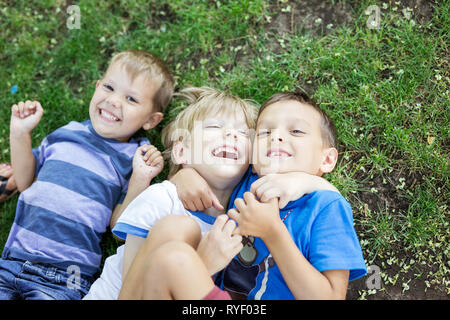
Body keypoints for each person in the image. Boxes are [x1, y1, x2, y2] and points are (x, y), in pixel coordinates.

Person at [136, 91, 367, 300]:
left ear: (326, 159)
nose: (276, 136)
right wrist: (184, 175)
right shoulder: (247, 181)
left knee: (173, 260)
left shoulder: (326, 206)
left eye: (296, 131)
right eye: (264, 132)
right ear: (252, 159)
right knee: (171, 254)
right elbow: (209, 156)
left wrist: (273, 232)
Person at [0, 50, 173, 300]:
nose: (114, 101)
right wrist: (19, 133)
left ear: (151, 120)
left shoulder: (133, 158)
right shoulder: (66, 133)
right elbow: (26, 181)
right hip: (12, 262)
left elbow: (118, 227)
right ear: (97, 86)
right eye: (110, 87)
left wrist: (140, 179)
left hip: (63, 278)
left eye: (131, 99)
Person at [83, 86, 258, 300]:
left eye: (243, 133)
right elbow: (133, 292)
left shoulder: (243, 217)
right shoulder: (162, 200)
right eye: (214, 126)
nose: (232, 134)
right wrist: (205, 263)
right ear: (181, 151)